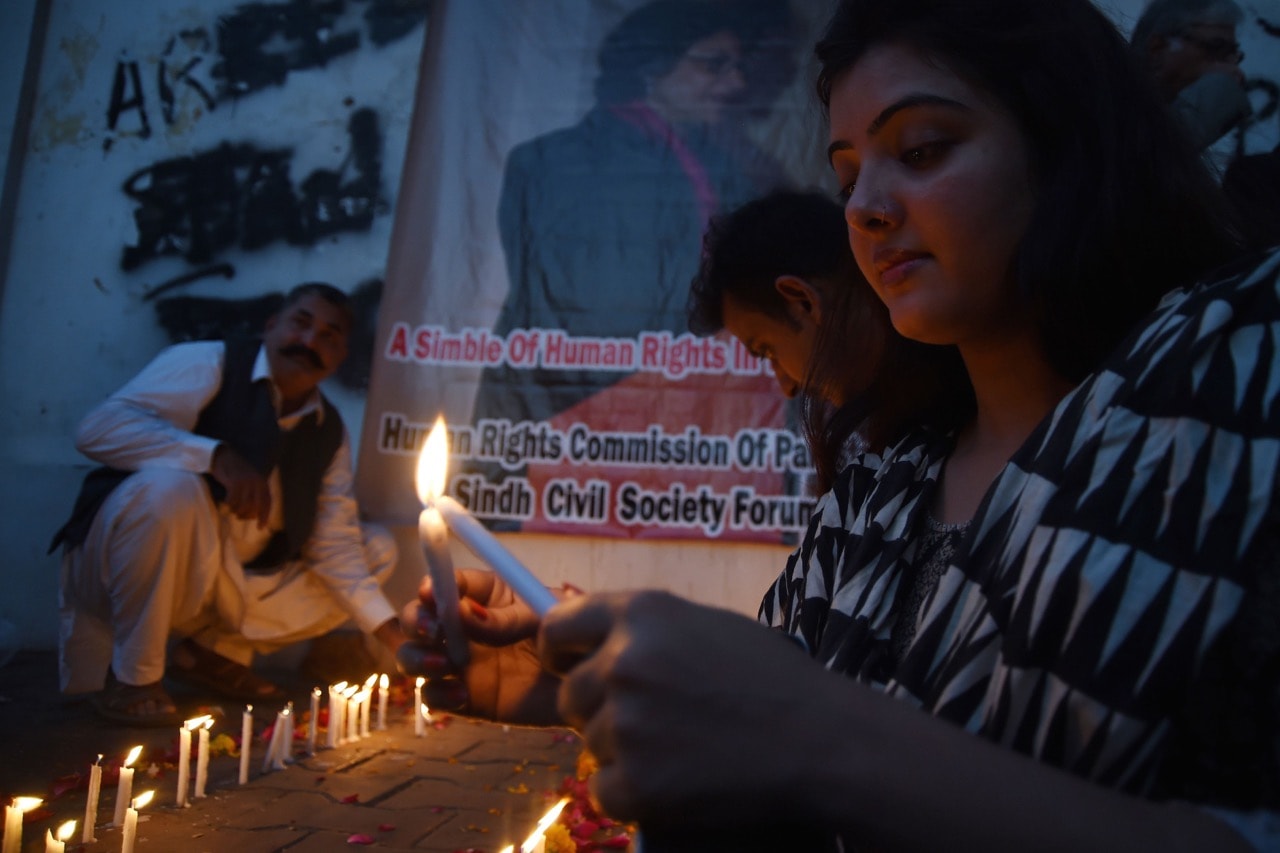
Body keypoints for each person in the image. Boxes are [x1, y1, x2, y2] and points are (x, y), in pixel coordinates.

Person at [401, 1, 1280, 850]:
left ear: (1068, 144)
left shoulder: (1232, 381)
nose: (864, 209)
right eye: (849, 172)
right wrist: (565, 678)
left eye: (923, 148)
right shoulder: (880, 485)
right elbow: (782, 703)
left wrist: (818, 734)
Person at [51, 283, 406, 726]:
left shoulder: (328, 430)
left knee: (377, 549)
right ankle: (134, 678)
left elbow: (333, 547)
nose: (311, 342)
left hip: (221, 584)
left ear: (340, 356)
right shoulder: (208, 363)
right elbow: (96, 429)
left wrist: (396, 638)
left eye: (329, 336)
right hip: (122, 567)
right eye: (301, 323)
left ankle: (208, 658)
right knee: (172, 491)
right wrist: (213, 456)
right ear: (272, 325)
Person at [467, 0, 793, 481]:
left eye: (738, 67)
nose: (736, 84)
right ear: (651, 67)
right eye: (713, 65)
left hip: (656, 430)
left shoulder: (716, 163)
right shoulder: (561, 162)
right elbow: (590, 315)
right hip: (576, 428)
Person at [688, 187, 966, 493]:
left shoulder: (965, 432)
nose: (787, 386)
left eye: (768, 351)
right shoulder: (932, 421)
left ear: (803, 301)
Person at [1130, 0, 1250, 152]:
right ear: (1157, 48)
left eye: (1233, 53)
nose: (1231, 67)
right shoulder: (1104, 104)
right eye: (1216, 48)